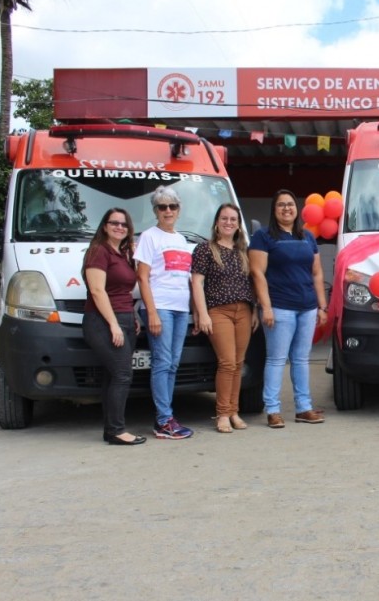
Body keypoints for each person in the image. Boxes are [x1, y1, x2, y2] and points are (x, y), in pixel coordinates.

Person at [249, 190, 328, 429]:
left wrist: (322, 306)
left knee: (301, 359)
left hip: (307, 307)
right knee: (276, 359)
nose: (286, 209)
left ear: (297, 209)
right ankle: (272, 409)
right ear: (274, 210)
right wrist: (267, 307)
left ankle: (303, 408)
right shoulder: (263, 237)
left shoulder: (307, 237)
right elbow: (257, 273)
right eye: (281, 205)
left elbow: (317, 273)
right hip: (279, 307)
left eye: (290, 204)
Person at [192, 204, 258, 433]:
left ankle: (234, 412)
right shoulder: (205, 249)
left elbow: (250, 284)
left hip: (244, 311)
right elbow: (197, 283)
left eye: (233, 219)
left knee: (239, 364)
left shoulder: (244, 252)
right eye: (224, 218)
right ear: (216, 222)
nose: (229, 222)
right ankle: (222, 414)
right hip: (218, 311)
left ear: (238, 224)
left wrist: (255, 311)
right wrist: (202, 314)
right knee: (227, 362)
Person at [135, 186, 194, 440]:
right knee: (162, 362)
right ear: (155, 211)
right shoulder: (150, 237)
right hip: (161, 307)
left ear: (179, 210)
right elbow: (142, 277)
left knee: (172, 364)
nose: (167, 211)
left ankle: (167, 417)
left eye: (172, 206)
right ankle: (163, 420)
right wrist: (152, 313)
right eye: (162, 207)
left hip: (181, 309)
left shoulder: (181, 240)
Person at [82, 208, 145, 445]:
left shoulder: (123, 254)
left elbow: (124, 291)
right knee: (122, 374)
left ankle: (111, 430)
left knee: (112, 375)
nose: (119, 227)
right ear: (105, 226)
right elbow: (97, 291)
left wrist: (132, 318)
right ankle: (117, 430)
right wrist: (114, 325)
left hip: (125, 318)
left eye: (124, 224)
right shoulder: (99, 251)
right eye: (114, 223)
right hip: (102, 321)